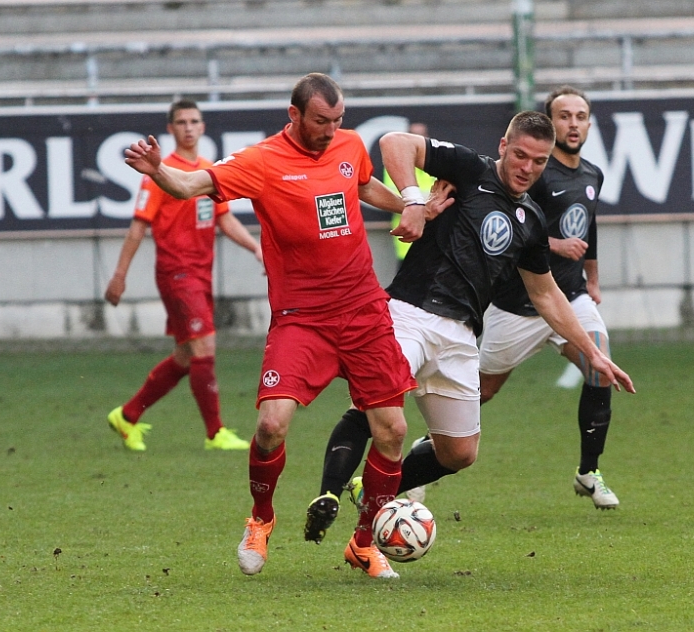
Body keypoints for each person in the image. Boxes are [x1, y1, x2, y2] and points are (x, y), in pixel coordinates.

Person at [123, 73, 443, 580]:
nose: (330, 130)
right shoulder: (261, 161)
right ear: (294, 115)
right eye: (321, 121)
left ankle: (363, 544)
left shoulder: (349, 145)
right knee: (271, 425)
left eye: (337, 120)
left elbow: (363, 185)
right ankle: (261, 520)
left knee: (393, 430)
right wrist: (159, 170)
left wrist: (410, 202)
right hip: (302, 317)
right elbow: (188, 186)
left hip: (363, 310)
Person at [306, 111, 635, 543]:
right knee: (380, 401)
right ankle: (328, 496)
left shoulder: (531, 219)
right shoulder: (469, 168)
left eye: (539, 161)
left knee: (459, 452)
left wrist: (592, 353)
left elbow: (545, 294)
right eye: (520, 155)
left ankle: (371, 494)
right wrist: (413, 201)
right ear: (503, 146)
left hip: (462, 333)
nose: (527, 168)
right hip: (410, 313)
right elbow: (394, 143)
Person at [479, 86, 622, 509]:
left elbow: (588, 229)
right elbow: (514, 224)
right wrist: (556, 245)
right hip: (519, 304)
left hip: (570, 297)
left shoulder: (592, 174)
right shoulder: (536, 172)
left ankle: (589, 472)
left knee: (600, 368)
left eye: (580, 116)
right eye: (564, 116)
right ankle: (429, 450)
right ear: (550, 123)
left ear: (589, 124)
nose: (573, 124)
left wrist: (592, 280)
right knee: (479, 393)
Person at [105, 99, 262, 453]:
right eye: (181, 122)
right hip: (176, 273)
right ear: (171, 128)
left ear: (202, 127)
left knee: (185, 357)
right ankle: (215, 433)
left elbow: (224, 218)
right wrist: (119, 275)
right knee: (204, 346)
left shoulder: (207, 171)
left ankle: (127, 415)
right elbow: (137, 227)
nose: (188, 127)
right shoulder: (159, 172)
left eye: (194, 121)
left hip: (201, 274)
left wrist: (255, 247)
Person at [384, 122, 437, 267]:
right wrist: (429, 199)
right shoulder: (395, 163)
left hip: (435, 237)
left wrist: (416, 198)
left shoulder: (436, 163)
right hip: (407, 239)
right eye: (413, 136)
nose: (417, 140)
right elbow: (393, 195)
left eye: (421, 136)